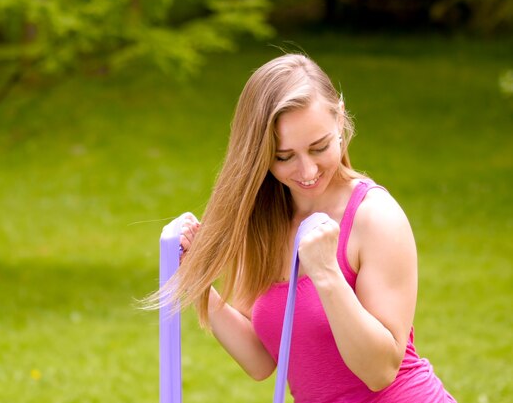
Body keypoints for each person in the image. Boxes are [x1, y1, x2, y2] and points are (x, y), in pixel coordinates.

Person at [149, 53, 456, 402]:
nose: (307, 171)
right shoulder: (265, 224)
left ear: (339, 120)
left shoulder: (375, 217)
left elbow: (379, 371)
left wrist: (326, 272)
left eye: (319, 147)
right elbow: (261, 360)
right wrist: (198, 281)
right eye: (284, 157)